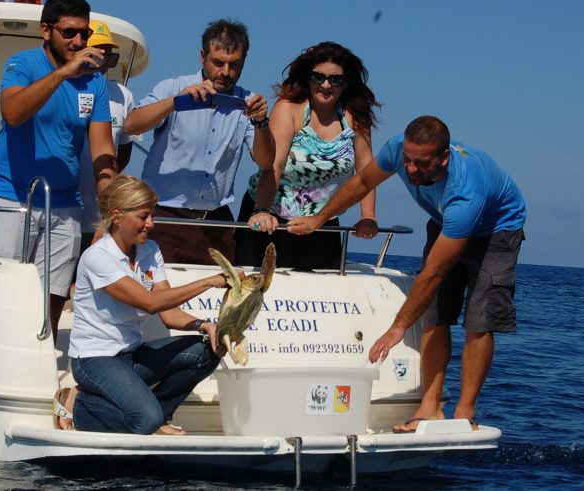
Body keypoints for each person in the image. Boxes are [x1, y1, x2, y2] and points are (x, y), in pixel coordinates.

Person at [287, 116, 527, 432]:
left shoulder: (467, 190)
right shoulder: (398, 148)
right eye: (408, 161)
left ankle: (465, 412)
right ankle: (429, 408)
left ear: (444, 158)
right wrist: (319, 219)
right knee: (435, 316)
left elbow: (434, 273)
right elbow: (362, 183)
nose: (411, 170)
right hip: (445, 223)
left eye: (422, 164)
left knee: (478, 322)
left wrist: (397, 328)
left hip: (496, 232)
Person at [0, 0, 118, 342]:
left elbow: (102, 150)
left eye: (83, 33)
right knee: (5, 288)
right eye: (69, 32)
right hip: (12, 197)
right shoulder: (22, 64)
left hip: (66, 203)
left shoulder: (95, 83)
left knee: (54, 295)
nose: (77, 41)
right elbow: (13, 113)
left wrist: (110, 210)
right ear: (47, 31)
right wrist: (62, 74)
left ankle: (40, 359)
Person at [62, 176, 233, 435]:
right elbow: (150, 303)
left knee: (208, 350)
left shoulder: (149, 250)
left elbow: (168, 314)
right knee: (144, 420)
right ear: (118, 217)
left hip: (132, 354)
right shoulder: (98, 257)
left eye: (151, 216)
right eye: (143, 217)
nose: (151, 224)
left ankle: (159, 417)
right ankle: (77, 403)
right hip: (95, 359)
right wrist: (210, 281)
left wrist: (204, 325)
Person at [123, 19, 275, 265]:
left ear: (244, 62)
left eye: (234, 64)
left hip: (216, 223)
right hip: (163, 218)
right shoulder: (173, 87)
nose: (225, 72)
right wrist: (175, 102)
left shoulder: (249, 102)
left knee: (218, 301)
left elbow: (266, 162)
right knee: (151, 298)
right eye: (218, 63)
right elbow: (131, 125)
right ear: (202, 56)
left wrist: (261, 123)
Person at [237, 42, 380, 269]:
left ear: (346, 83)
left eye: (335, 79)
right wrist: (261, 211)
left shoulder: (356, 116)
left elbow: (366, 171)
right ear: (308, 78)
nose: (326, 85)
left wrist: (368, 216)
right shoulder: (289, 108)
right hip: (272, 218)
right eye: (318, 77)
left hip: (323, 222)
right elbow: (275, 165)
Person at [76, 19, 140, 251]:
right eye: (98, 55)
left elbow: (123, 152)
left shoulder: (123, 96)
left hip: (99, 219)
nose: (104, 64)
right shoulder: (62, 88)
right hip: (64, 214)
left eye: (110, 58)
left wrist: (104, 185)